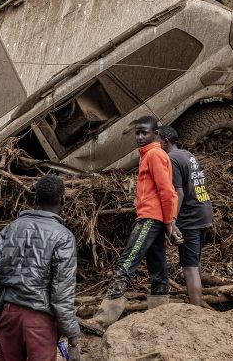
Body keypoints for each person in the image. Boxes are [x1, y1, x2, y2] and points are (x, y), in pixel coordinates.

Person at [89, 116, 178, 329]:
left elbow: (167, 191)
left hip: (151, 218)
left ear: (155, 134)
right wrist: (168, 221)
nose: (139, 137)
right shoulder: (150, 154)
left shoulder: (154, 155)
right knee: (157, 265)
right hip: (154, 217)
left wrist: (169, 222)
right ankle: (160, 311)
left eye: (144, 133)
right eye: (137, 133)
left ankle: (104, 319)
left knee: (127, 262)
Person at [0, 175, 81, 361]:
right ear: (62, 199)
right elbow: (62, 293)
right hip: (40, 322)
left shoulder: (9, 230)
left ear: (35, 199)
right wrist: (73, 339)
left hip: (8, 316)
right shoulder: (63, 237)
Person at [158, 125, 213, 306]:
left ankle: (195, 312)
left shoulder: (171, 158)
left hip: (191, 217)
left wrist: (172, 221)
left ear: (165, 141)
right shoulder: (188, 155)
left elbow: (178, 193)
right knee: (194, 265)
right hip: (204, 212)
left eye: (156, 140)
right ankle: (196, 304)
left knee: (189, 268)